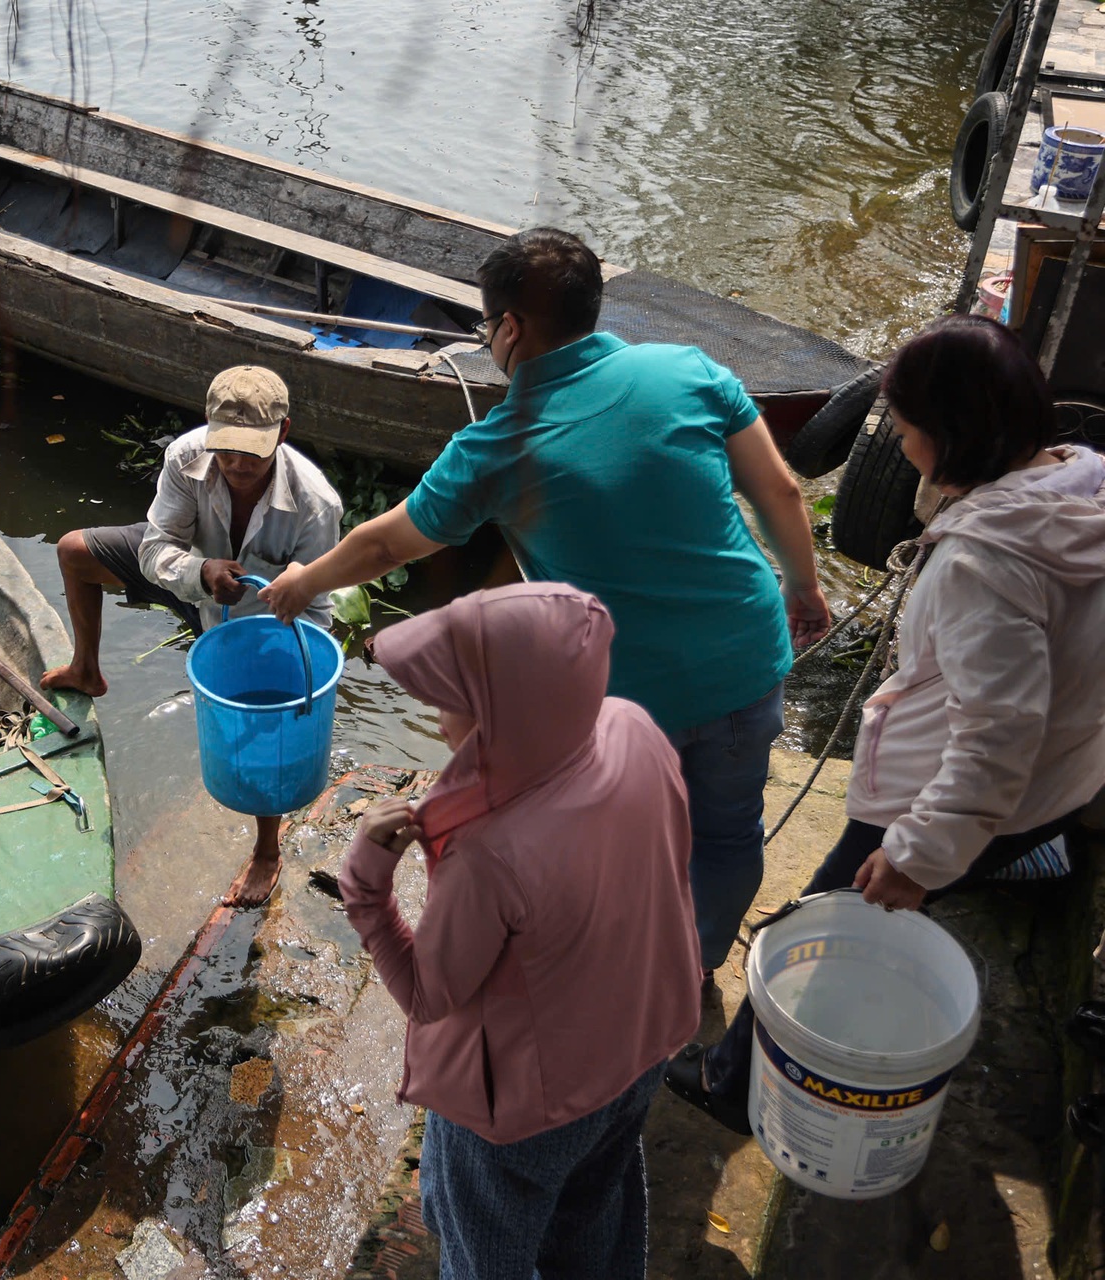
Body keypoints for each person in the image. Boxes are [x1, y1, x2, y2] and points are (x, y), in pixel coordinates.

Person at [262, 227, 831, 980]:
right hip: (748, 658)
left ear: (509, 328)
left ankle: (632, 981)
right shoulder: (686, 368)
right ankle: (694, 970)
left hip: (632, 698)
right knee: (727, 836)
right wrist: (803, 586)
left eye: (486, 327)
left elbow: (384, 547)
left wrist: (301, 583)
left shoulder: (494, 446)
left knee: (622, 844)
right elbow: (780, 492)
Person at [666, 314, 1105, 1132]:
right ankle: (1014, 854)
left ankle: (732, 1086)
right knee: (913, 880)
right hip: (1061, 778)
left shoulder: (985, 562)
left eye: (904, 432)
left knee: (824, 920)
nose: (899, 447)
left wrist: (918, 855)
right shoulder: (1086, 483)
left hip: (934, 794)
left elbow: (997, 736)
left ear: (951, 436)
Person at [341, 584, 700, 1280]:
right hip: (641, 1046)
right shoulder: (631, 726)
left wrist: (366, 882)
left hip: (530, 1109)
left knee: (487, 1250)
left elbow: (427, 996)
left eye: (448, 700)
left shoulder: (487, 851)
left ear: (498, 721)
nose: (435, 717)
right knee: (593, 1209)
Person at [40, 365, 343, 907]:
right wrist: (200, 572)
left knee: (263, 710)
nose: (237, 465)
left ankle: (266, 851)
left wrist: (291, 671)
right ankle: (86, 669)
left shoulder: (316, 503)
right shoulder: (186, 457)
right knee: (74, 552)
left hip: (251, 617)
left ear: (283, 433)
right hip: (192, 573)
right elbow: (156, 548)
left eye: (253, 453)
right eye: (227, 450)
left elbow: (315, 611)